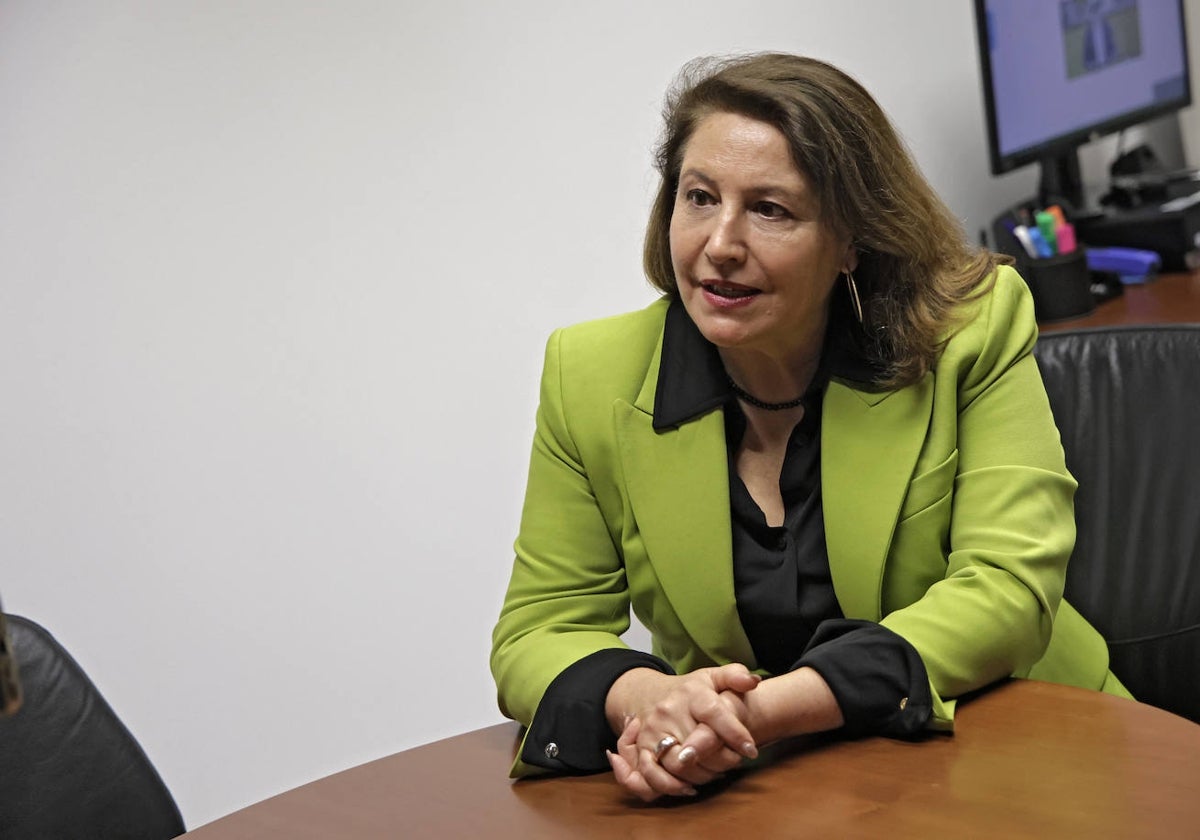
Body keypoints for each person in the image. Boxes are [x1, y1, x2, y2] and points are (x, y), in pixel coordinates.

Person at [490, 52, 1130, 802]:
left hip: (1020, 750)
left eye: (771, 209)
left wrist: (756, 714)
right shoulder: (590, 376)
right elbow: (537, 629)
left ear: (852, 239)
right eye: (699, 197)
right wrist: (646, 699)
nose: (720, 243)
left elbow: (1006, 590)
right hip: (770, 795)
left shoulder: (968, 333)